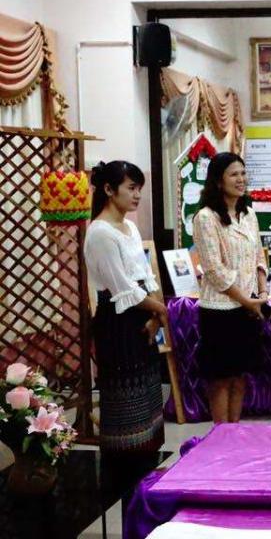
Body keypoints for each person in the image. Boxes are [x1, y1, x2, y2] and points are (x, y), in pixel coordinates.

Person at [84, 160, 166, 456]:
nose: (137, 195)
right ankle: (124, 471)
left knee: (148, 398)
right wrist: (162, 310)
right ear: (109, 189)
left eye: (139, 188)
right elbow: (122, 288)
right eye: (131, 188)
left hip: (143, 316)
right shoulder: (100, 233)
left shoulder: (129, 226)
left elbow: (145, 274)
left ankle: (147, 467)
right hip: (118, 322)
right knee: (125, 403)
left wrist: (156, 315)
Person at [193, 152, 269, 424]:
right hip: (220, 310)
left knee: (239, 375)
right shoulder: (205, 217)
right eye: (234, 174)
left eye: (243, 173)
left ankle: (234, 433)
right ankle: (220, 435)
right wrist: (246, 301)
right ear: (218, 180)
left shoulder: (249, 214)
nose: (241, 179)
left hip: (248, 307)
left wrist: (261, 293)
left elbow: (259, 256)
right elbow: (214, 270)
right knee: (220, 378)